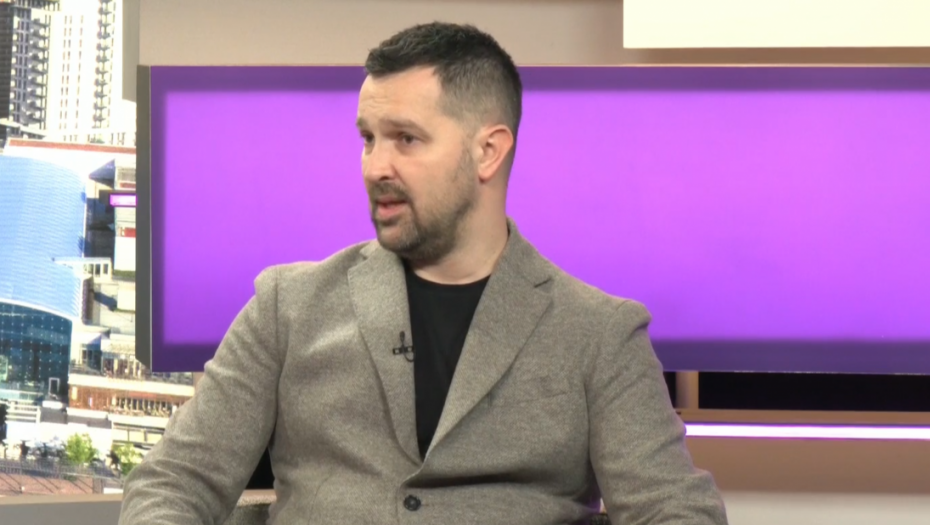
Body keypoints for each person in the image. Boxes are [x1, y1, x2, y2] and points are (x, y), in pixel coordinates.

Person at [119, 22, 728, 525]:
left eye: (406, 139)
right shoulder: (287, 305)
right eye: (368, 139)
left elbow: (675, 510)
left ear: (488, 151)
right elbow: (175, 482)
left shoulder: (598, 334)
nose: (375, 166)